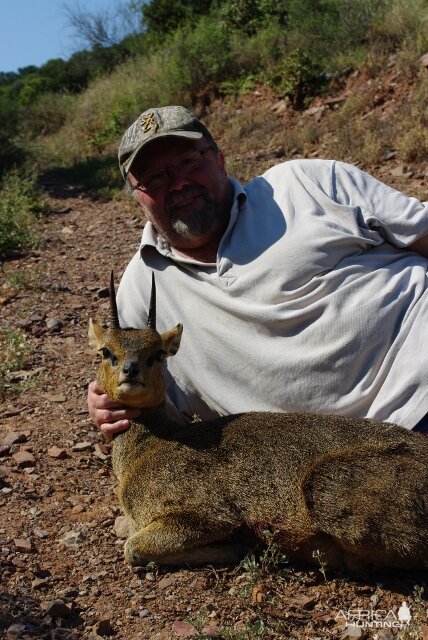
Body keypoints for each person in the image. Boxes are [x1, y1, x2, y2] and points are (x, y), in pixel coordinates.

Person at [88, 105, 428, 439]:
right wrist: (108, 404)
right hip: (322, 469)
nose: (178, 183)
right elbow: (148, 400)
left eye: (189, 161)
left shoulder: (306, 184)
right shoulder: (137, 291)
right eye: (154, 179)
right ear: (137, 199)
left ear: (220, 161)